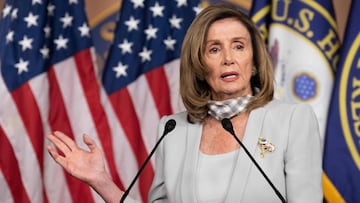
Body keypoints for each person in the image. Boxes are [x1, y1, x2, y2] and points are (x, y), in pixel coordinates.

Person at [47, 3, 323, 203]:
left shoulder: (293, 120)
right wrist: (101, 181)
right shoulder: (172, 130)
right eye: (214, 49)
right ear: (200, 65)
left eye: (239, 46)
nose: (228, 58)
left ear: (254, 62)